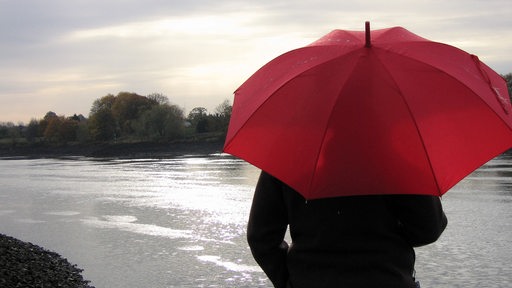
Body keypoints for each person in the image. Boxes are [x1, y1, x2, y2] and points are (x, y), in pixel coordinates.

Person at [247, 171, 447, 288]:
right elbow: (429, 228)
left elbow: (261, 238)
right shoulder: (396, 161)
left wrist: (291, 280)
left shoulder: (287, 162)